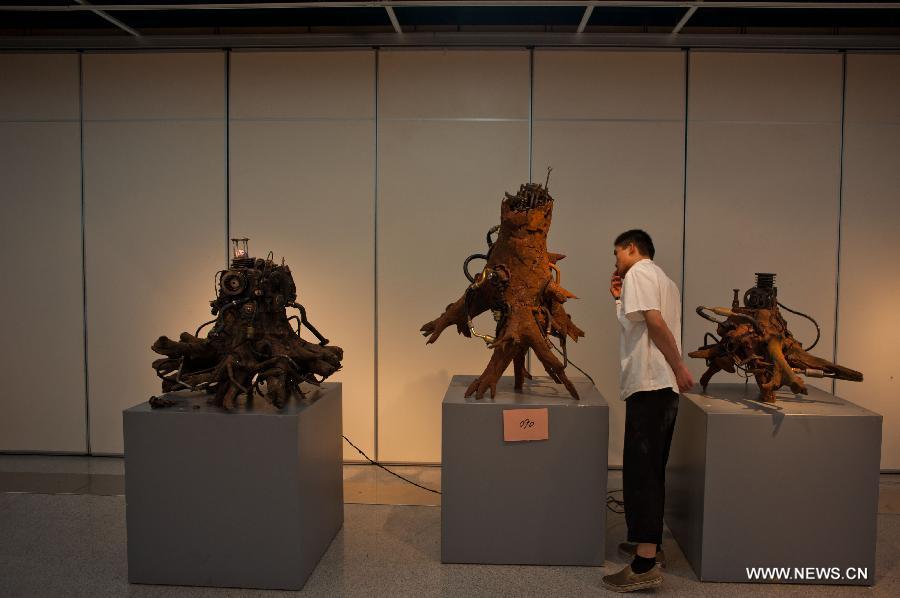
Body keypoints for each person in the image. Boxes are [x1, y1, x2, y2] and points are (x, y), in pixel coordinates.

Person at [601, 229, 694, 593]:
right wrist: (617, 300)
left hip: (651, 384)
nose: (615, 262)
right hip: (659, 387)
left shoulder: (638, 272)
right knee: (650, 468)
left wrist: (679, 366)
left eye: (616, 254)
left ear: (631, 248)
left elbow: (655, 324)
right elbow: (639, 325)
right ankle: (647, 545)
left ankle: (644, 563)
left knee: (643, 473)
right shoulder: (664, 280)